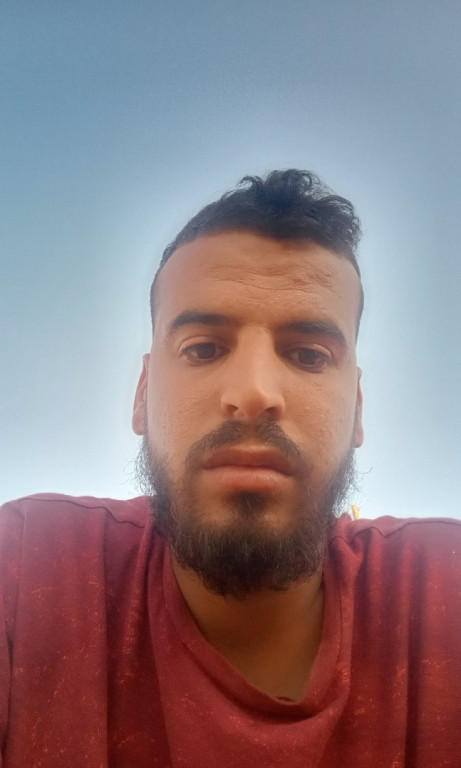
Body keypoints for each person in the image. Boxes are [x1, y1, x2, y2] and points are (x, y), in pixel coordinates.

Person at [1, 170, 460, 768]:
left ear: (357, 410)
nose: (253, 392)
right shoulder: (27, 570)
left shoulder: (444, 591)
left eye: (308, 354)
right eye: (203, 348)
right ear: (142, 394)